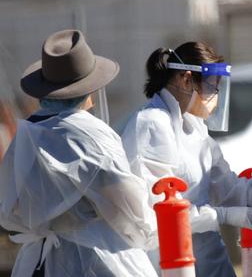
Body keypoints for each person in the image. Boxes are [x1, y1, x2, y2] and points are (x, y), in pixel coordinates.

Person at [121, 42, 252, 277]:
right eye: (212, 87)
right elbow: (156, 217)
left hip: (210, 261)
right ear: (186, 80)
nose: (216, 98)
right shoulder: (152, 124)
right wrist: (224, 216)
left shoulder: (195, 128)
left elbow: (229, 188)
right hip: (171, 265)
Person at [0, 30, 157, 277]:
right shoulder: (89, 135)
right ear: (89, 88)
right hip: (98, 260)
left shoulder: (26, 134)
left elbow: (12, 208)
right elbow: (127, 206)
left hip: (40, 262)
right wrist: (150, 232)